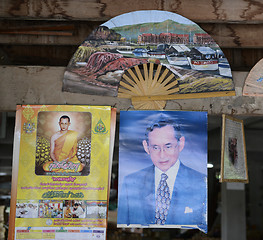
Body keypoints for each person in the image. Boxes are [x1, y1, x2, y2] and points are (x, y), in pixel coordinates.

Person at [117, 115, 207, 231]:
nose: (162, 155)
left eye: (168, 146)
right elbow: (124, 230)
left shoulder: (201, 183)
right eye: (155, 147)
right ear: (146, 147)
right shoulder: (130, 183)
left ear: (181, 144)